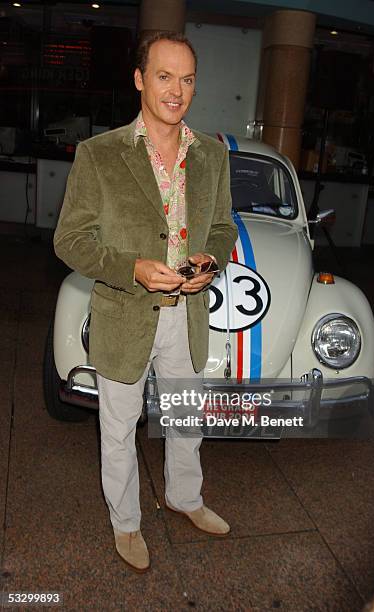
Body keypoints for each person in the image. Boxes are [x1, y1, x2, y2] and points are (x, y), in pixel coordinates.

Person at [53, 31, 238, 572]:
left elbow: (224, 227)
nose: (176, 90)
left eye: (187, 79)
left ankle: (185, 498)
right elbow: (69, 240)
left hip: (190, 316)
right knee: (118, 428)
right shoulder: (100, 154)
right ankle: (126, 523)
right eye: (164, 76)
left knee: (186, 420)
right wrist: (132, 268)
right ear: (138, 80)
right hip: (125, 313)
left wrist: (212, 260)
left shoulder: (212, 156)